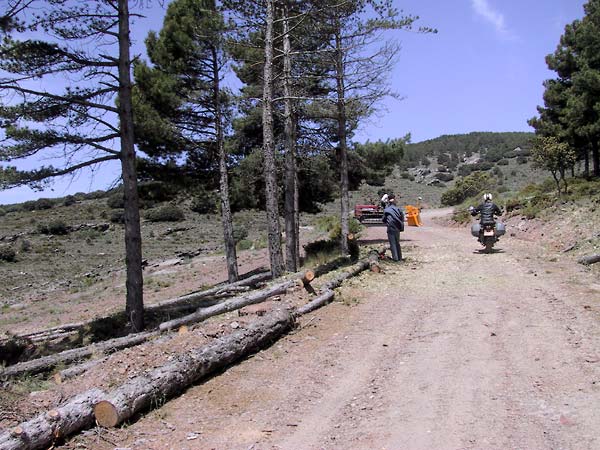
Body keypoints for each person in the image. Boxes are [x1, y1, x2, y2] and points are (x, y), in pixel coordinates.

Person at [383, 194, 404, 261]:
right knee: (397, 243)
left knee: (392, 243)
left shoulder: (387, 210)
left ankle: (395, 258)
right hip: (397, 227)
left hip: (390, 227)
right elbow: (402, 218)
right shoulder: (398, 209)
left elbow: (383, 219)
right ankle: (400, 258)